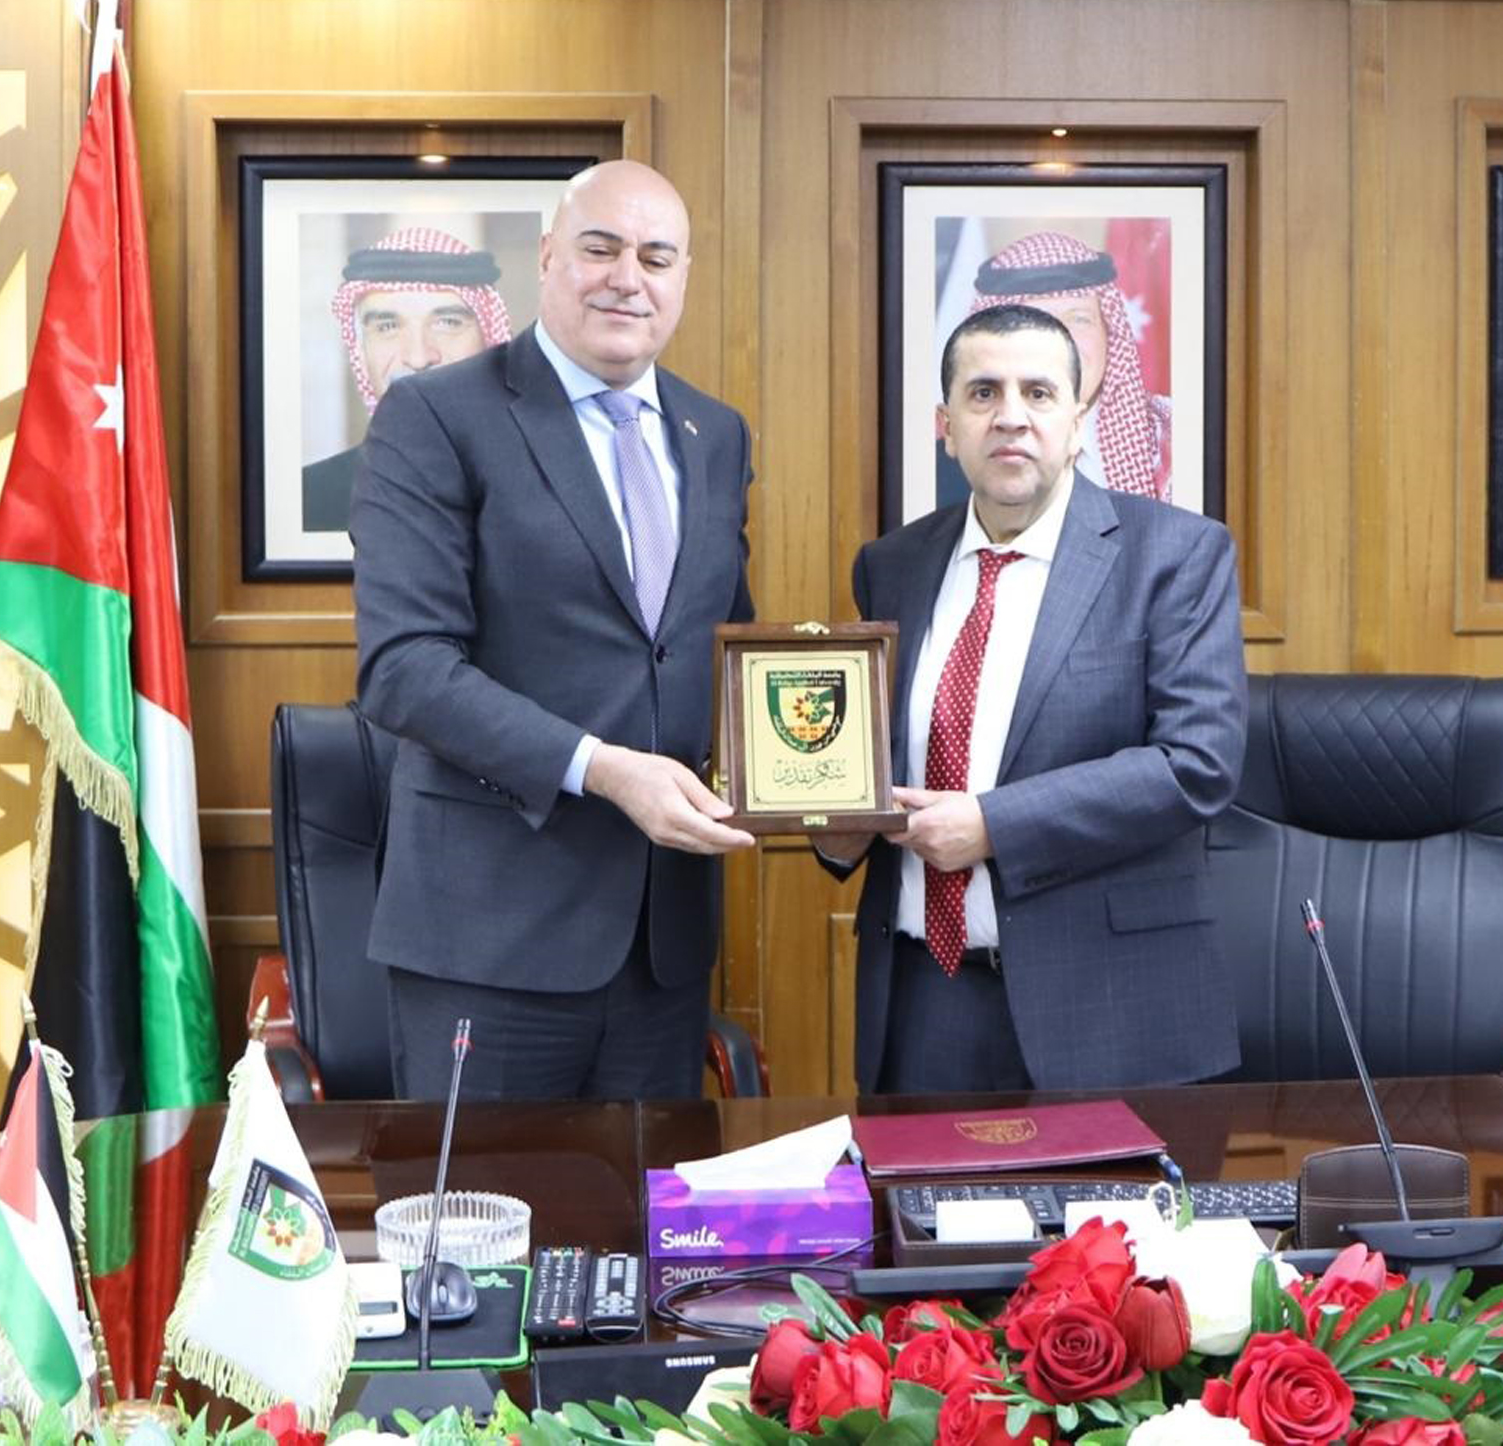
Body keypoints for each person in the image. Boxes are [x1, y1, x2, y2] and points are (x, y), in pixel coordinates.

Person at [350, 160, 756, 1101]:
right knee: (482, 1203)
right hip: (489, 942)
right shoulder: (436, 414)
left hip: (662, 945)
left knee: (647, 1201)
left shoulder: (717, 433)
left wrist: (821, 787)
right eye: (600, 248)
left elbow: (721, 647)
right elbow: (405, 666)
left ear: (684, 277)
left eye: (656, 257)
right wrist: (603, 768)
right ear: (545, 258)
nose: (628, 279)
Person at [818, 303, 1245, 1093]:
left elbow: (1197, 765)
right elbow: (870, 754)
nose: (1010, 416)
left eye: (1038, 393)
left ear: (1078, 422)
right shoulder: (891, 566)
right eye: (983, 393)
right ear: (947, 426)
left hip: (1110, 1008)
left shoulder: (1175, 555)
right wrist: (835, 825)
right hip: (924, 1000)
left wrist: (992, 825)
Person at [307, 227, 512, 531]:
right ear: (361, 350)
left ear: (490, 340)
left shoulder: (545, 486)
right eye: (388, 326)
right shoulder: (313, 495)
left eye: (448, 322)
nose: (418, 358)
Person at [969, 231, 1174, 501]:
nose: (1062, 341)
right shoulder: (953, 455)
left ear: (1109, 332)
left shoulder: (1174, 441)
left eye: (1079, 319)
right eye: (1034, 321)